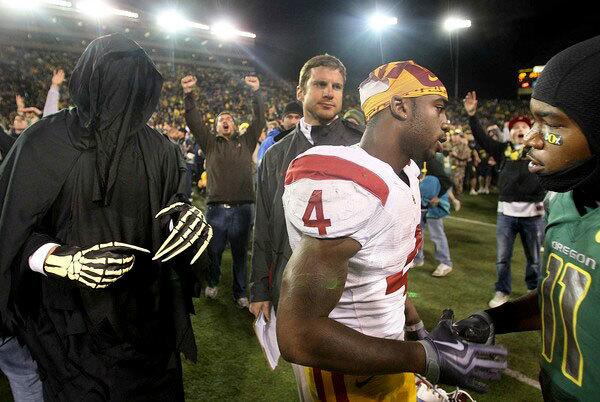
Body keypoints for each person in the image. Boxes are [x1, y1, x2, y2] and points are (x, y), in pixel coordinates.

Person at [277, 60, 507, 401]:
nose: (447, 122)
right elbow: (298, 334)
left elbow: (390, 273)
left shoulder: (406, 174)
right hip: (346, 375)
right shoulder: (350, 184)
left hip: (385, 354)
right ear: (400, 107)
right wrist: (429, 358)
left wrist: (415, 328)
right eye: (439, 108)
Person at [0, 33, 211, 401]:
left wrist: (186, 218)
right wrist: (57, 259)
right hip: (71, 334)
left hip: (149, 328)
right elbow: (12, 227)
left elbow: (173, 209)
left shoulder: (161, 149)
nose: (123, 89)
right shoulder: (43, 142)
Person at [455, 35, 600, 401]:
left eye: (551, 123)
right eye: (533, 120)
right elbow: (563, 298)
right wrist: (493, 320)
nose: (533, 138)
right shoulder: (566, 199)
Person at [249, 54, 363, 323]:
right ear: (300, 92)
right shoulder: (276, 155)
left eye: (336, 87)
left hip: (350, 288)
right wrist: (259, 289)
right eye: (320, 84)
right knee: (300, 362)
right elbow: (263, 224)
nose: (329, 93)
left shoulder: (361, 148)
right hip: (290, 281)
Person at [182, 72, 265, 307]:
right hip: (216, 209)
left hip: (243, 208)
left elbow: (259, 118)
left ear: (235, 125)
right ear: (216, 126)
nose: (225, 121)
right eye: (221, 119)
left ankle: (240, 292)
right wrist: (189, 94)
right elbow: (193, 120)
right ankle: (213, 282)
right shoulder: (209, 143)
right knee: (215, 251)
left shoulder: (246, 141)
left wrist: (256, 93)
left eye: (229, 118)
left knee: (240, 255)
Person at [464, 92, 546, 308]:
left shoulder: (539, 151)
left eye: (523, 127)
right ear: (509, 133)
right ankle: (502, 291)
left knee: (535, 260)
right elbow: (482, 139)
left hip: (534, 214)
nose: (520, 130)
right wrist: (472, 116)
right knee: (503, 259)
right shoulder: (502, 150)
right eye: (516, 128)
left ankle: (534, 291)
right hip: (506, 214)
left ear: (530, 132)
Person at [414, 154, 454, 277]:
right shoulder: (413, 157)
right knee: (418, 233)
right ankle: (418, 258)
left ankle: (445, 262)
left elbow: (446, 180)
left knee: (437, 234)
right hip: (421, 203)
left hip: (433, 206)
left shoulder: (430, 159)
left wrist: (438, 196)